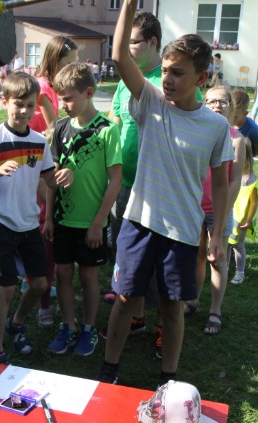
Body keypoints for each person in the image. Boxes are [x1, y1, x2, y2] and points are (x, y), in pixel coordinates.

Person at [98, 0, 233, 386]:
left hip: (183, 231)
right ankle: (109, 369)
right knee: (126, 298)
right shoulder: (151, 101)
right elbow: (120, 56)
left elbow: (220, 182)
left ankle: (168, 379)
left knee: (172, 307)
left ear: (201, 78)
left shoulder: (215, 126)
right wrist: (128, 5)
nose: (168, 80)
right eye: (167, 71)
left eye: (178, 73)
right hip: (139, 222)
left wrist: (217, 234)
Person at [0, 72, 73, 364]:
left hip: (28, 223)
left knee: (40, 284)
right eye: (18, 104)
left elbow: (49, 181)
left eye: (29, 105)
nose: (24, 111)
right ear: (4, 102)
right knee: (6, 288)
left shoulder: (39, 142)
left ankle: (16, 323)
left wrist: (65, 175)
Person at [44, 62, 122, 357]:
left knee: (89, 278)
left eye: (68, 98)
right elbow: (52, 176)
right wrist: (48, 217)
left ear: (89, 93)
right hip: (63, 220)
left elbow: (115, 181)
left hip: (91, 223)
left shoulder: (106, 130)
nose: (63, 105)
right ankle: (68, 325)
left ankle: (88, 329)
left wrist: (98, 223)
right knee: (63, 275)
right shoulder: (61, 128)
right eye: (60, 98)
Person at [102, 11, 166, 352]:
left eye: (133, 42)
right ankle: (137, 316)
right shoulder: (124, 82)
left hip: (156, 188)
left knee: (159, 260)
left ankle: (163, 325)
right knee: (126, 252)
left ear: (153, 42)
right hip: (123, 182)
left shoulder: (168, 79)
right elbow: (114, 120)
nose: (126, 49)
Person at [27, 35, 79, 326]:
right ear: (55, 59)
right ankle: (43, 298)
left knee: (50, 224)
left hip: (51, 158)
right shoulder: (43, 88)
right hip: (38, 162)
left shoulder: (58, 86)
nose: (73, 66)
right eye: (69, 62)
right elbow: (53, 128)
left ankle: (47, 284)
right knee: (44, 224)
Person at [185, 85, 244, 336]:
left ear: (230, 107)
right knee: (198, 256)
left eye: (222, 102)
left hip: (218, 210)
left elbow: (235, 180)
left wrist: (223, 214)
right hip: (194, 208)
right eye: (212, 101)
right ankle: (193, 300)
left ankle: (215, 311)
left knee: (217, 259)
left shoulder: (236, 138)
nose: (217, 106)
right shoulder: (197, 133)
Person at [228, 138, 258, 285]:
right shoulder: (230, 173)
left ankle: (240, 272)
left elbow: (254, 202)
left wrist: (249, 219)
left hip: (241, 218)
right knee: (226, 244)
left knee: (238, 245)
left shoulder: (249, 179)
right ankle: (223, 269)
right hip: (229, 215)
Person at [230, 89, 258, 157]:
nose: (231, 119)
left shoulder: (252, 129)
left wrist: (246, 157)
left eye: (235, 116)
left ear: (245, 113)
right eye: (229, 114)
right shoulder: (224, 123)